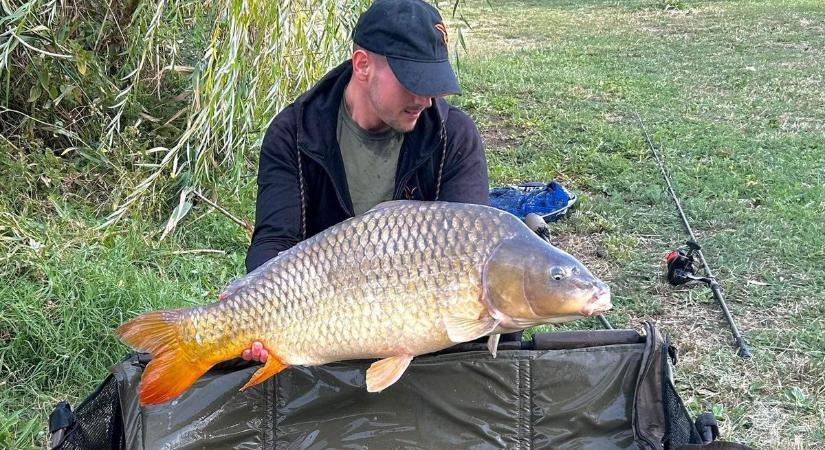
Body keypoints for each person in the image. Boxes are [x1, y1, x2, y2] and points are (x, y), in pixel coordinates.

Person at [239, 0, 516, 364]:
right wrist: (253, 304)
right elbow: (276, 240)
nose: (424, 99)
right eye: (411, 82)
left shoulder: (454, 137)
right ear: (363, 65)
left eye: (433, 83)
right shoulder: (294, 133)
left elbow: (470, 253)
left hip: (417, 316)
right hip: (318, 312)